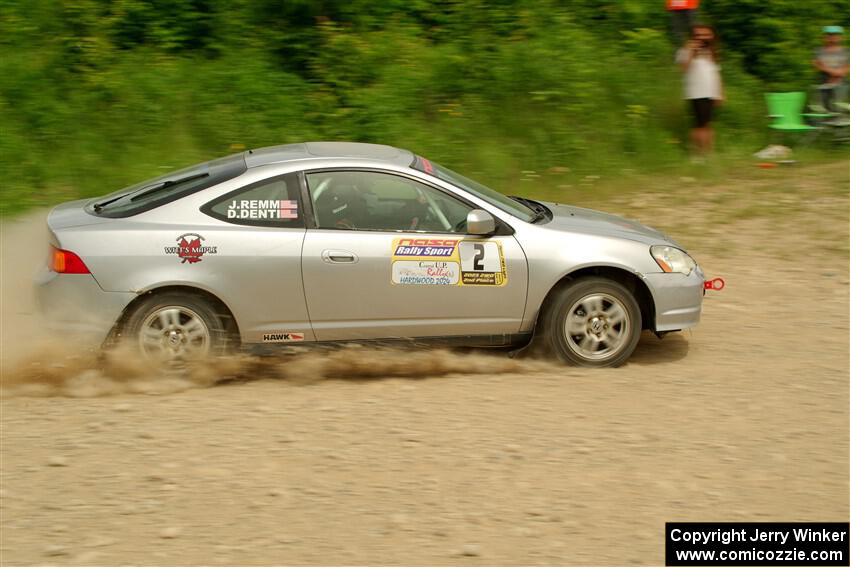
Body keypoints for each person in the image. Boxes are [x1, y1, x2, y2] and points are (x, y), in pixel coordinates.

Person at [676, 24, 723, 158]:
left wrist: (720, 94)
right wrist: (691, 51)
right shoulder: (686, 50)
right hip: (696, 92)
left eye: (706, 34)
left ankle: (708, 154)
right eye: (699, 35)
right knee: (699, 125)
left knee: (708, 124)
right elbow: (683, 69)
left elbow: (716, 74)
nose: (703, 38)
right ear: (693, 36)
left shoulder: (711, 53)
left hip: (710, 93)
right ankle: (697, 155)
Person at [812, 26, 849, 113]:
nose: (832, 37)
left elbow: (847, 67)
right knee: (822, 109)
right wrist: (834, 73)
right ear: (825, 37)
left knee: (840, 109)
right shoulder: (818, 51)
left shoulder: (846, 51)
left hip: (841, 86)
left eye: (835, 35)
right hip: (823, 85)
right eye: (829, 35)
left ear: (840, 37)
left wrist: (838, 73)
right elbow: (817, 65)